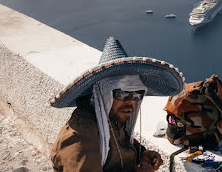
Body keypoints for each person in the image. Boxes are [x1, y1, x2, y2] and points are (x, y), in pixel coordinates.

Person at [50, 37, 185, 172]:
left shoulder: (110, 118)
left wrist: (140, 154)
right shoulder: (81, 137)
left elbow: (116, 145)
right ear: (104, 93)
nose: (131, 101)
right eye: (122, 94)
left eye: (137, 94)